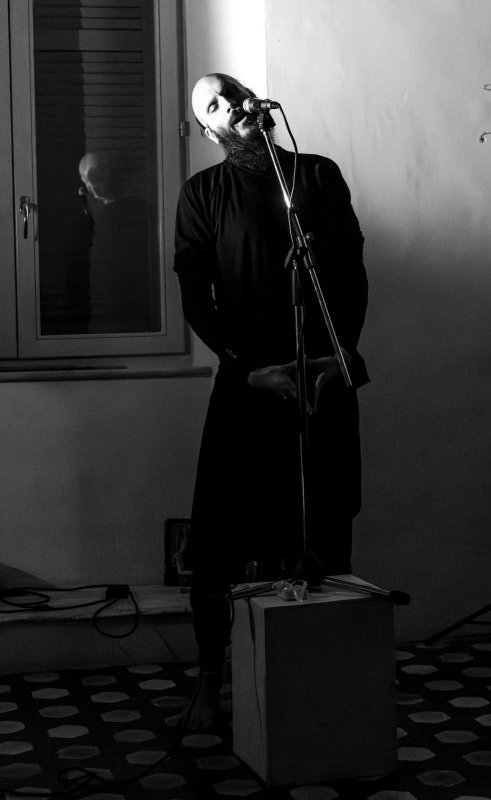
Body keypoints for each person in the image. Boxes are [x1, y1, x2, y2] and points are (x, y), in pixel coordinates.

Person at [174, 73, 369, 728]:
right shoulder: (203, 192)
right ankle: (209, 683)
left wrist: (338, 353)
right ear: (209, 130)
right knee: (219, 538)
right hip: (248, 382)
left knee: (324, 527)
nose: (229, 104)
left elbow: (350, 272)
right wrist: (246, 367)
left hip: (320, 379)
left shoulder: (316, 175)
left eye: (232, 91)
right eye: (213, 104)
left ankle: (326, 685)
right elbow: (195, 295)